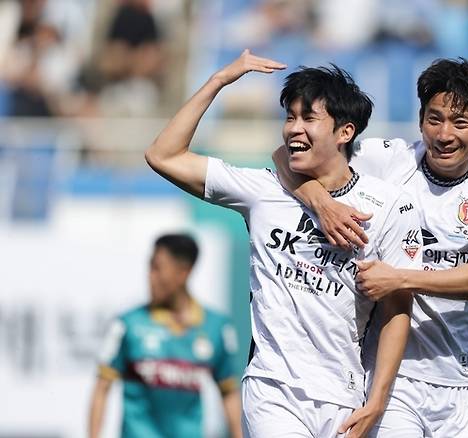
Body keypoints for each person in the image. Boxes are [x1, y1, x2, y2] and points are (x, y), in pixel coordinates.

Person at [144, 50, 423, 438]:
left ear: (346, 132)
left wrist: (376, 401)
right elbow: (163, 155)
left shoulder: (388, 206)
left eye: (308, 118)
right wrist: (219, 80)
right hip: (272, 389)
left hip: (344, 397)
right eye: (289, 117)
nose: (294, 128)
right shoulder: (262, 190)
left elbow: (397, 307)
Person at [273, 58, 468, 437]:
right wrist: (321, 202)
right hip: (390, 377)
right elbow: (287, 157)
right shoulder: (387, 157)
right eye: (434, 119)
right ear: (420, 117)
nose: (444, 135)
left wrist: (398, 278)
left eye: (460, 123)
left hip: (460, 380)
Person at [88, 233, 242, 438]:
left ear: (183, 273)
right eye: (150, 267)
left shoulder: (216, 327)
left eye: (157, 268)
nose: (150, 276)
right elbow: (101, 388)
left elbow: (229, 393)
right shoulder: (128, 324)